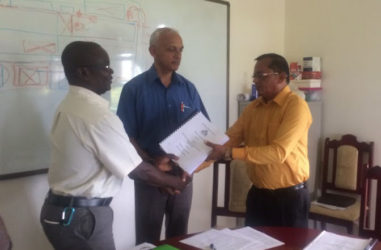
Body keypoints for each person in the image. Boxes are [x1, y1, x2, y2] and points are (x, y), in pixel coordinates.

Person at [40, 41, 187, 250]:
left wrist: (154, 163)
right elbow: (138, 171)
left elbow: (125, 156)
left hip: (63, 212)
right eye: (105, 67)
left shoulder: (70, 105)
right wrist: (177, 183)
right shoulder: (96, 115)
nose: (111, 73)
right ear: (83, 72)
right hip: (82, 218)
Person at [117, 27, 209, 244]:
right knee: (147, 239)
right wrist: (152, 165)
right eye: (171, 49)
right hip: (149, 176)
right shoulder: (134, 89)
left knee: (179, 236)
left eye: (180, 50)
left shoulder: (188, 88)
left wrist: (188, 167)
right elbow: (126, 137)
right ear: (153, 51)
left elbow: (203, 129)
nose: (177, 55)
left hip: (183, 175)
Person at [206, 53, 312, 228]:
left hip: (289, 199)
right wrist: (190, 167)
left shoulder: (296, 106)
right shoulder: (252, 109)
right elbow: (228, 140)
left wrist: (230, 153)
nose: (255, 81)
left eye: (261, 75)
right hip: (258, 196)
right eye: (254, 76)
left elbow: (278, 153)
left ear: (282, 77)